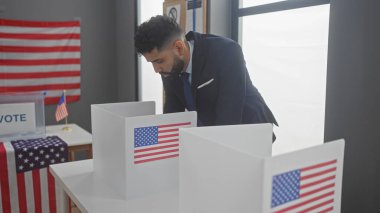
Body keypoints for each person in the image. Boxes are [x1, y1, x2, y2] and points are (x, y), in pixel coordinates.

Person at [135, 15, 278, 131]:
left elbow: (229, 116)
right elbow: (173, 113)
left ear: (179, 48)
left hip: (250, 127)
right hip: (212, 129)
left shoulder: (226, 52)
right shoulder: (169, 68)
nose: (156, 70)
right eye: (152, 62)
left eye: (159, 61)